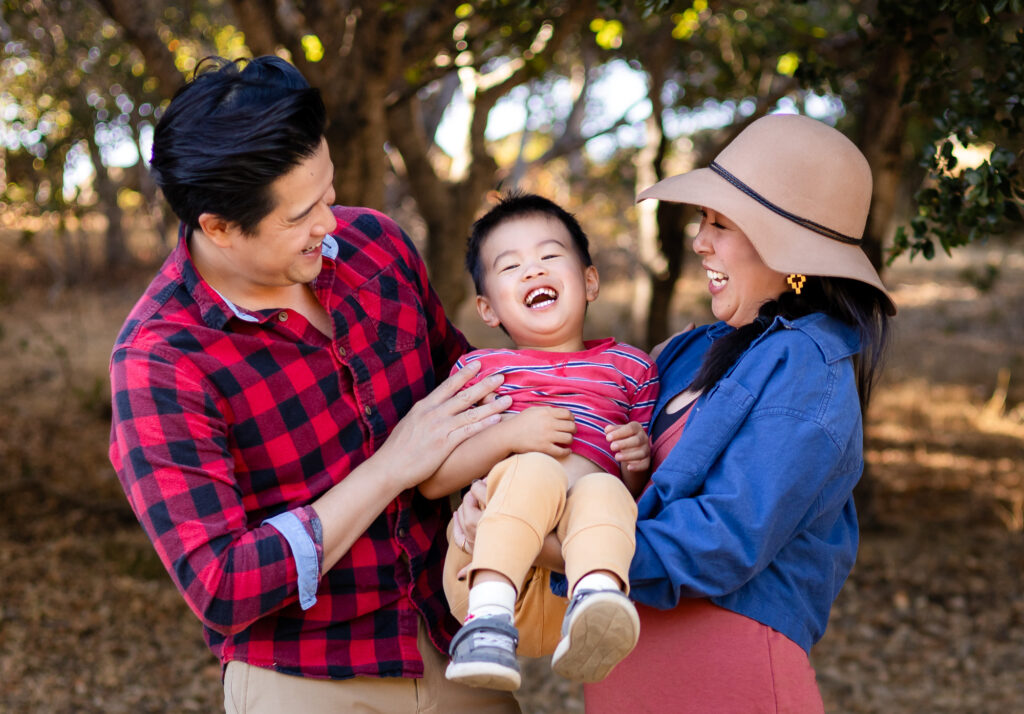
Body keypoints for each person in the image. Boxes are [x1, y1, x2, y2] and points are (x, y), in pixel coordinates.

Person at [108, 56, 522, 714]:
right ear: (218, 227)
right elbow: (221, 584)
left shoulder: (376, 247)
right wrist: (389, 469)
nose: (329, 222)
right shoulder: (161, 361)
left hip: (455, 643)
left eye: (327, 193)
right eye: (301, 214)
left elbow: (473, 388)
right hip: (305, 679)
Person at [578, 113, 897, 712]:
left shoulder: (808, 367)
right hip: (627, 676)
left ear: (789, 249)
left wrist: (569, 548)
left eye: (721, 224)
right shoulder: (688, 351)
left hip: (726, 680)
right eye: (704, 220)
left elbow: (722, 541)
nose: (700, 241)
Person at [414, 193, 659, 692]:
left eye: (549, 255)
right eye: (510, 266)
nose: (533, 270)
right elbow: (435, 482)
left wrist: (637, 459)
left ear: (590, 282)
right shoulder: (480, 372)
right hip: (486, 567)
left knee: (605, 490)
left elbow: (637, 494)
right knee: (536, 468)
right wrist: (511, 435)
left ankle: (597, 602)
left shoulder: (632, 368)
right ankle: (486, 625)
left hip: (569, 579)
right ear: (487, 309)